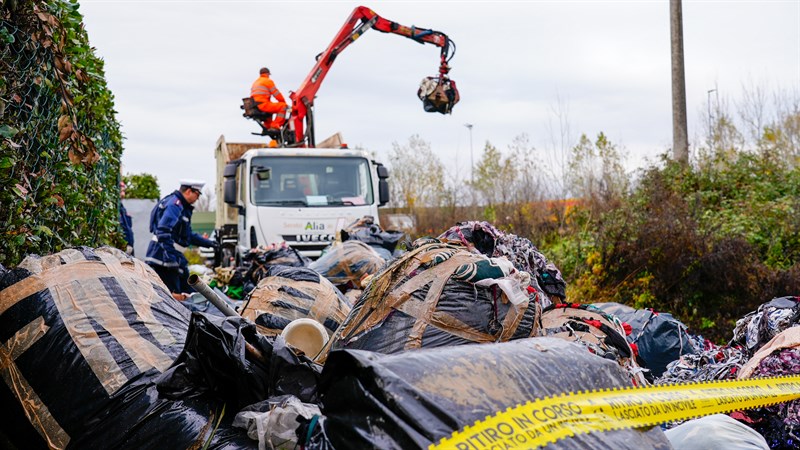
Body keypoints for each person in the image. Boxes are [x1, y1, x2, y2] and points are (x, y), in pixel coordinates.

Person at [145, 179, 218, 300]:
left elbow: (187, 235)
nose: (198, 198)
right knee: (173, 297)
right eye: (197, 194)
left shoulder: (182, 207)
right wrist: (171, 258)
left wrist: (209, 243)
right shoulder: (175, 205)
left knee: (187, 291)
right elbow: (163, 231)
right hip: (163, 259)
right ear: (189, 191)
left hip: (170, 257)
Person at [250, 67, 290, 131]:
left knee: (270, 107)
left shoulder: (256, 82)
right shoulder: (268, 81)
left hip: (256, 105)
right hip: (263, 105)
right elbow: (277, 94)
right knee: (282, 106)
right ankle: (275, 126)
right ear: (268, 74)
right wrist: (284, 103)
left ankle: (267, 126)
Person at [119, 181, 135, 256]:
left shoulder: (122, 208)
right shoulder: (115, 208)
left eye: (124, 191)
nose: (123, 194)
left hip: (127, 247)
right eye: (121, 191)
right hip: (121, 248)